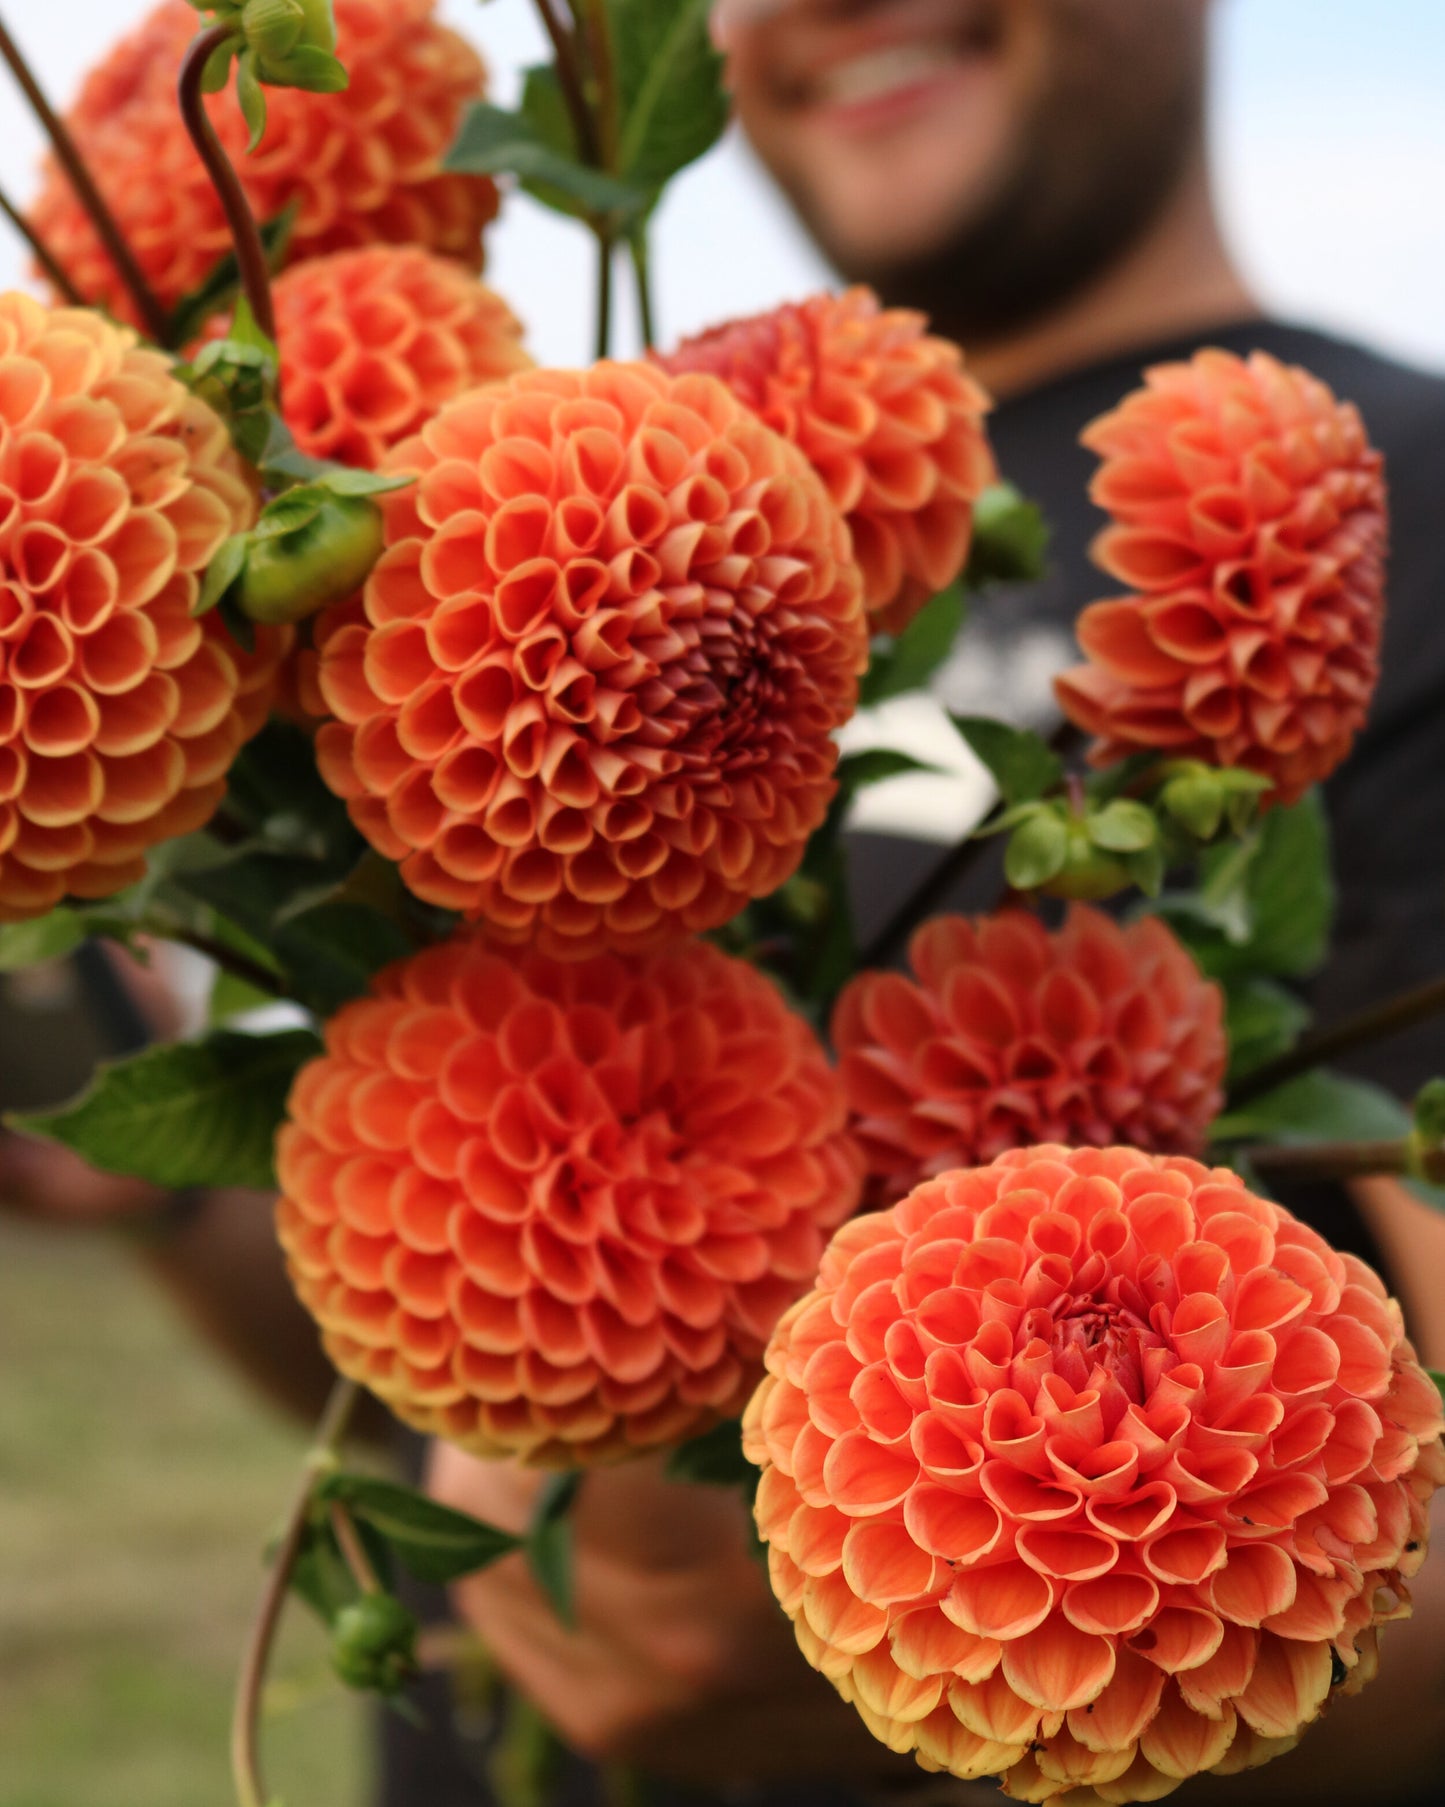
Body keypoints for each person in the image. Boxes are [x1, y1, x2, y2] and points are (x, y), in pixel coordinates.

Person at [6, 4, 1445, 1804]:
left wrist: (913, 1636)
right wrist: (142, 1179)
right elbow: (390, 1359)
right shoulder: (587, 449)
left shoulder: (1425, 499)